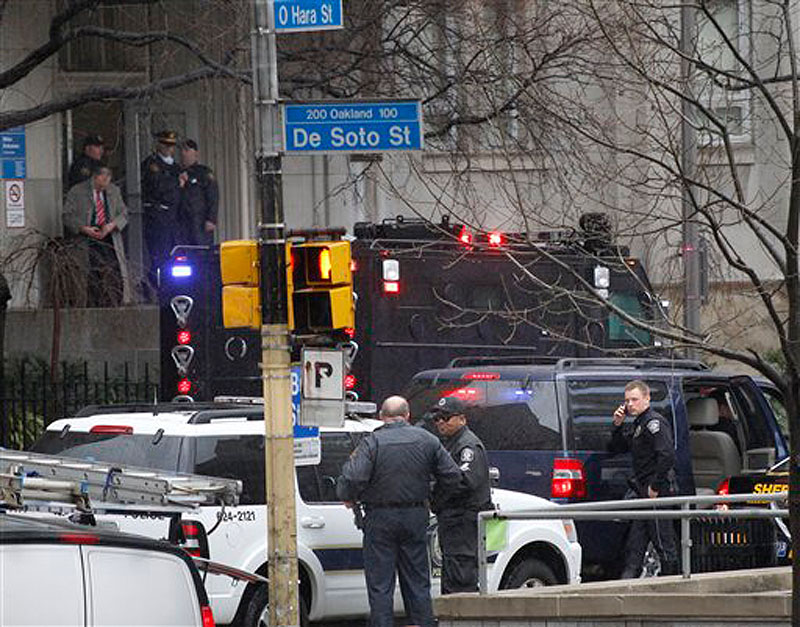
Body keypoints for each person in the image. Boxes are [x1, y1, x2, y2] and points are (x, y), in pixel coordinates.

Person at [337, 396, 461, 627]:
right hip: (415, 516)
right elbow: (453, 476)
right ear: (408, 415)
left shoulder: (372, 442)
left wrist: (349, 496)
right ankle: (423, 623)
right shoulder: (428, 440)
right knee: (417, 582)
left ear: (381, 417)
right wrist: (434, 499)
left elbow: (353, 477)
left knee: (380, 586)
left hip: (379, 519)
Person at [609, 379, 679, 578]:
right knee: (635, 546)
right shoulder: (639, 424)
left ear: (647, 398)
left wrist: (655, 486)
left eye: (634, 399)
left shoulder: (654, 423)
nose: (630, 404)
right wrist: (617, 424)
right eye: (627, 401)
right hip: (643, 493)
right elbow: (616, 447)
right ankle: (628, 583)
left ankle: (672, 587)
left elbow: (666, 455)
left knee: (663, 543)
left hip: (656, 492)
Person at [429, 396, 493, 594]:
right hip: (453, 522)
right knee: (452, 574)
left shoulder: (468, 446)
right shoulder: (449, 444)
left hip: (463, 521)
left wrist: (435, 493)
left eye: (446, 417)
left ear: (462, 419)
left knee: (461, 577)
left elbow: (464, 482)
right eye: (437, 417)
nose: (440, 422)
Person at [63, 164, 132, 306]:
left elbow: (124, 213)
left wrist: (112, 225)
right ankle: (90, 301)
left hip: (109, 235)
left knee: (112, 270)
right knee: (91, 273)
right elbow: (67, 216)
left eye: (107, 182)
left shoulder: (113, 190)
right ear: (95, 178)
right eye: (101, 183)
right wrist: (83, 228)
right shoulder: (77, 191)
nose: (104, 187)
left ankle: (114, 300)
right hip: (87, 236)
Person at [141, 130, 182, 289]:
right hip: (158, 217)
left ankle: (171, 286)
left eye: (171, 146)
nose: (169, 149)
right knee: (158, 255)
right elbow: (158, 188)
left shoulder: (176, 167)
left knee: (174, 256)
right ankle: (156, 287)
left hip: (173, 218)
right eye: (166, 145)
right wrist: (176, 183)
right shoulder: (152, 165)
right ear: (159, 145)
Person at [178, 139, 219, 246]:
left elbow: (213, 195)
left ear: (195, 153)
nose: (183, 153)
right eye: (182, 150)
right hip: (183, 222)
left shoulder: (204, 173)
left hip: (199, 221)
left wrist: (211, 219)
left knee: (201, 251)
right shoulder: (177, 173)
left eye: (187, 150)